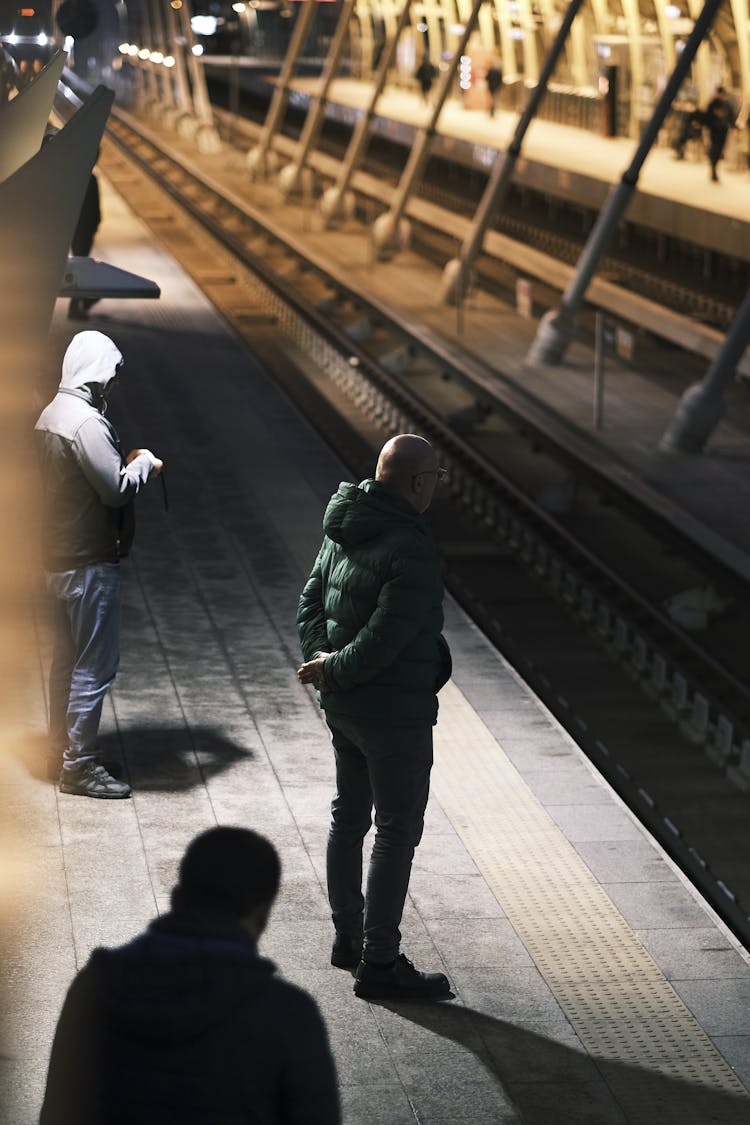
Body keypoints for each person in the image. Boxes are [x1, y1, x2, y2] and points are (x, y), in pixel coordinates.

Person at [39, 826, 341, 1125]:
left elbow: (58, 1111)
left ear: (176, 898)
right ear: (262, 916)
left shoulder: (94, 986)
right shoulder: (289, 1015)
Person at [297, 434, 453, 1002]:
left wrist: (324, 666)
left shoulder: (346, 522)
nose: (435, 486)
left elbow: (309, 603)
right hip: (393, 713)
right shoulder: (410, 546)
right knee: (394, 829)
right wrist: (334, 670)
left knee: (349, 815)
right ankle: (380, 961)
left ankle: (348, 937)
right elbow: (389, 638)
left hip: (345, 711)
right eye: (435, 477)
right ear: (416, 482)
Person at [35, 331, 163, 799]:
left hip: (56, 558)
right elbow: (115, 489)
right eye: (110, 374)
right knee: (94, 667)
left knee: (64, 663)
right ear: (97, 372)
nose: (112, 384)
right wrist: (144, 463)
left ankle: (58, 752)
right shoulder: (85, 422)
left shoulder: (50, 415)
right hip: (89, 562)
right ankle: (80, 767)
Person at [68, 169, 101, 320]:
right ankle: (77, 307)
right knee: (81, 266)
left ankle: (81, 303)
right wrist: (95, 226)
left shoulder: (74, 177)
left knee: (80, 266)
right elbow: (95, 208)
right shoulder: (91, 179)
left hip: (75, 229)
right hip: (85, 229)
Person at [704, 86, 737, 182]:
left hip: (723, 130)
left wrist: (734, 127)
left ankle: (714, 167)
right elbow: (707, 117)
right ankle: (713, 169)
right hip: (714, 130)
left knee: (719, 150)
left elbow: (731, 117)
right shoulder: (712, 104)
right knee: (715, 148)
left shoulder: (727, 105)